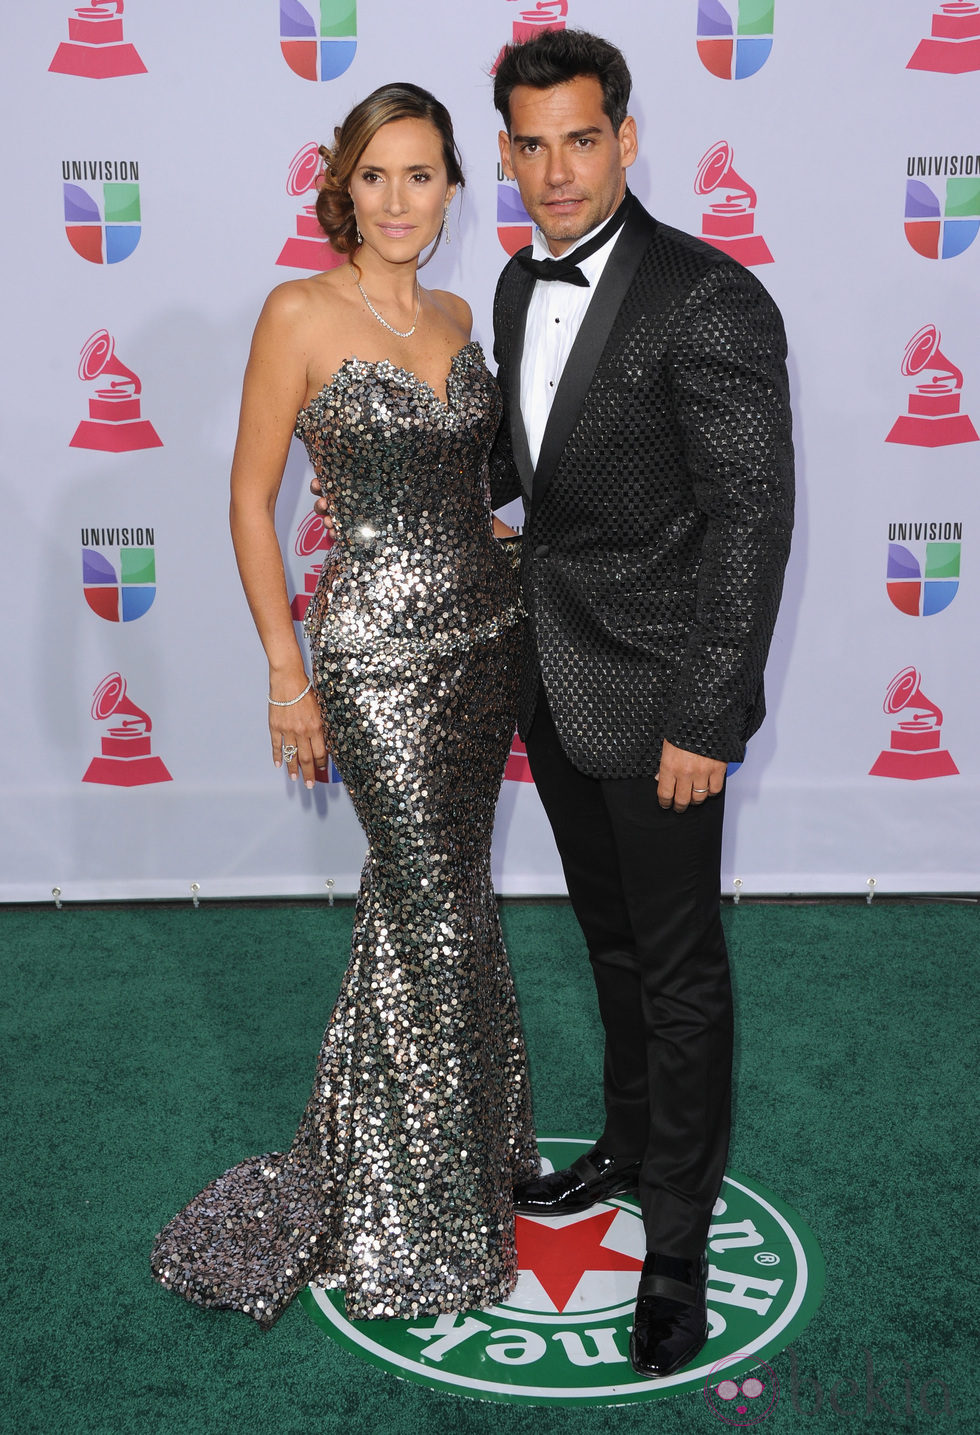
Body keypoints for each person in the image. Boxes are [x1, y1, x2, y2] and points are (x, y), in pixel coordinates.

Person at [150, 82, 539, 1329]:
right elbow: (248, 498)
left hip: (486, 640)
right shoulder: (298, 312)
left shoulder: (460, 311)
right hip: (372, 654)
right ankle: (412, 1211)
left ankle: (452, 1163)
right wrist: (285, 670)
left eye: (420, 175)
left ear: (450, 187)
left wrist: (494, 544)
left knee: (440, 898)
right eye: (374, 175)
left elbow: (458, 484)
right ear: (341, 184)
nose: (397, 200)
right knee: (430, 902)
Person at [488, 30, 795, 1378]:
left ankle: (675, 1243)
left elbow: (749, 521)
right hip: (553, 684)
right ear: (507, 154)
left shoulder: (711, 297)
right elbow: (530, 474)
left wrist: (707, 714)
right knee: (610, 944)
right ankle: (622, 1140)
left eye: (582, 139)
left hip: (666, 698)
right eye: (533, 145)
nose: (558, 171)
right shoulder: (510, 282)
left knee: (679, 968)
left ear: (627, 136)